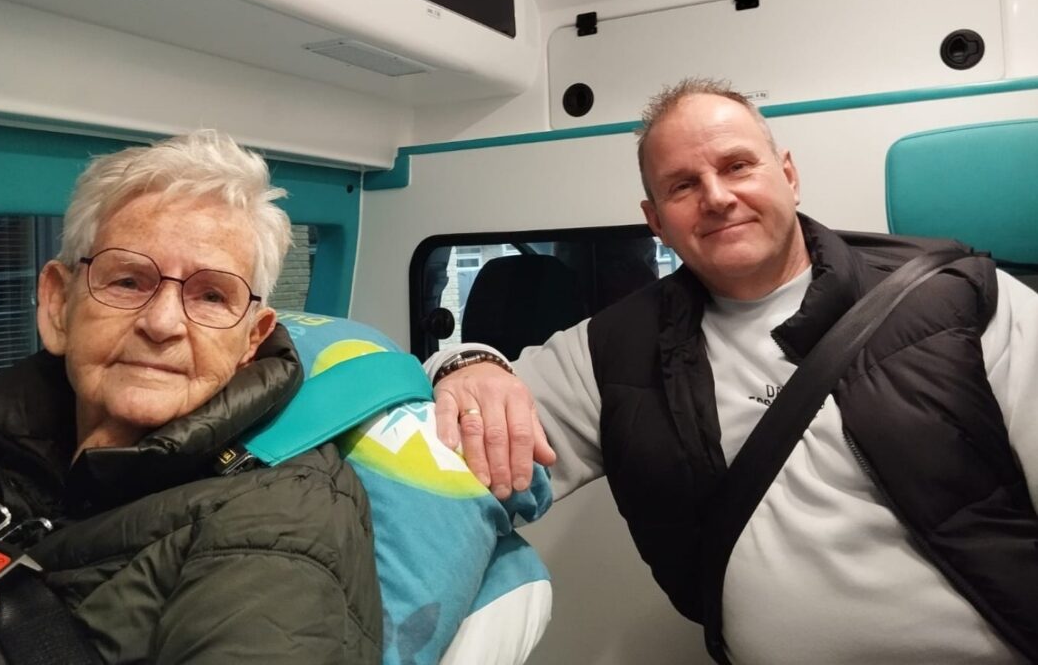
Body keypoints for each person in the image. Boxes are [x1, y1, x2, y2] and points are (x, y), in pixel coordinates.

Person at [430, 78, 1038, 664]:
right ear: (655, 220)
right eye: (683, 185)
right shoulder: (614, 348)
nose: (717, 197)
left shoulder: (962, 301)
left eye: (738, 166)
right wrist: (465, 363)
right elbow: (441, 430)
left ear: (789, 176)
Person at [0, 131, 382, 664]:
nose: (162, 323)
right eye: (128, 281)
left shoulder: (280, 514)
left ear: (251, 341)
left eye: (212, 295)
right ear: (58, 304)